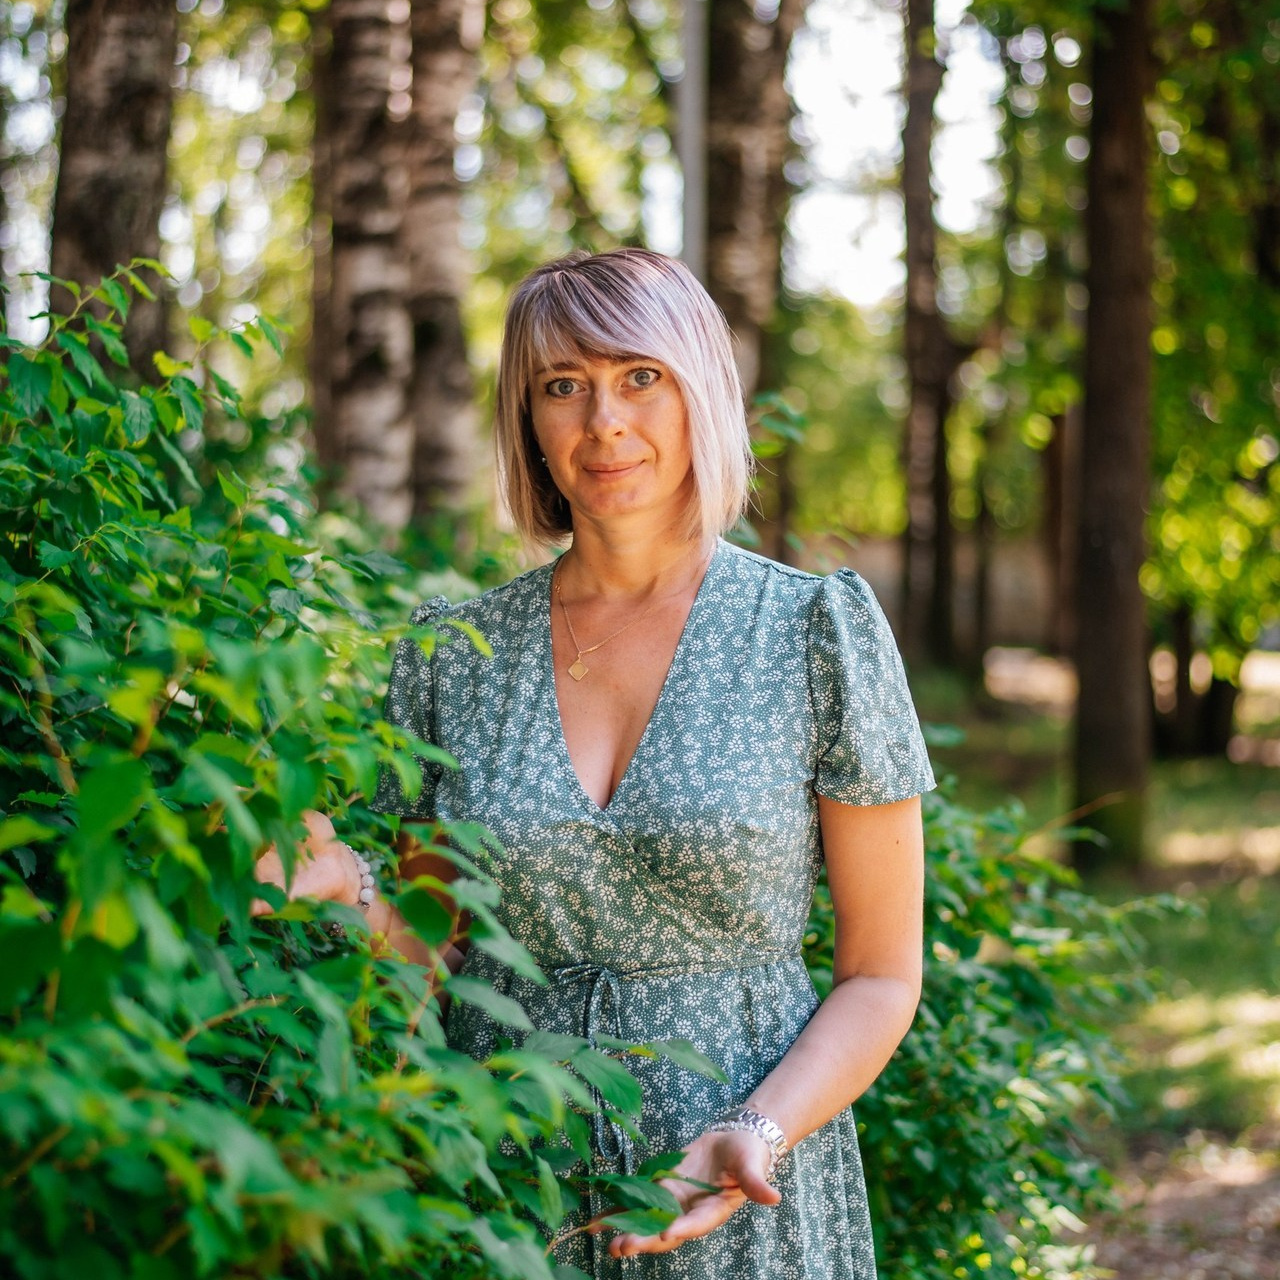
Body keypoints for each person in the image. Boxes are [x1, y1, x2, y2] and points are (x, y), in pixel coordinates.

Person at [257, 247, 934, 1277]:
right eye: (561, 386)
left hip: (743, 1196)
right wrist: (342, 887)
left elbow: (880, 973)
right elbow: (431, 958)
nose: (602, 421)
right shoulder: (454, 657)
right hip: (506, 1191)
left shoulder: (809, 630)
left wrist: (756, 1126)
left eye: (639, 377)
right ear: (526, 420)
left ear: (698, 390)